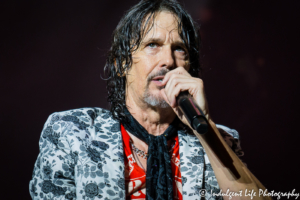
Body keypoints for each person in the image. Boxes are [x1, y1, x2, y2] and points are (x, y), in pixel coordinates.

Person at [29, 0, 270, 199]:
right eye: (153, 45)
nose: (168, 60)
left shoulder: (219, 141)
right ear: (121, 63)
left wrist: (206, 129)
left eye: (180, 49)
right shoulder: (73, 132)